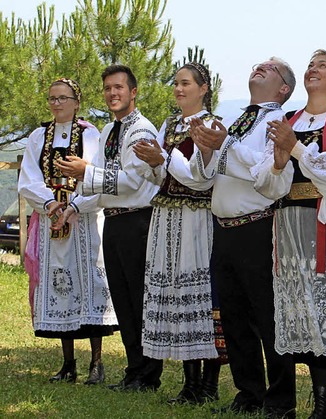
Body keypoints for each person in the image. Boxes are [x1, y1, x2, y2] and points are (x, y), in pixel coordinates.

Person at [253, 49, 326, 418]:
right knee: (309, 311)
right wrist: (278, 162)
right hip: (290, 226)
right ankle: (319, 405)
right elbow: (266, 184)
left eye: (323, 66)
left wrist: (295, 148)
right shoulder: (288, 119)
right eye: (310, 65)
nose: (312, 70)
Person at [190, 58, 297, 419]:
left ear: (283, 88)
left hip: (257, 226)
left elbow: (266, 171)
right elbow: (207, 178)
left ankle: (281, 400)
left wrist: (227, 144)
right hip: (223, 228)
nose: (259, 67)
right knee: (233, 317)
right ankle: (247, 392)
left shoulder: (278, 122)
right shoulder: (239, 118)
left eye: (270, 68)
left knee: (268, 317)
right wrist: (207, 150)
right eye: (257, 65)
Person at [56, 65, 164, 391]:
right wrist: (74, 203)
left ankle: (148, 375)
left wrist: (86, 170)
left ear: (133, 92)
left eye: (119, 88)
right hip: (115, 221)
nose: (112, 94)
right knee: (123, 299)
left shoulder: (141, 130)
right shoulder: (108, 130)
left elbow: (132, 181)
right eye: (107, 88)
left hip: (138, 220)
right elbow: (102, 184)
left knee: (139, 299)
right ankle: (134, 370)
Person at [132, 62, 224, 404]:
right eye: (176, 83)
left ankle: (207, 384)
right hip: (167, 216)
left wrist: (164, 157)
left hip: (196, 218)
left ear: (203, 88)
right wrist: (153, 162)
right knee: (174, 293)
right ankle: (189, 383)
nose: (178, 89)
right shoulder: (169, 124)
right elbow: (161, 176)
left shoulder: (213, 126)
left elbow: (202, 177)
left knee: (199, 295)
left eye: (186, 83)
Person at [19, 78, 118, 385]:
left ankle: (97, 363)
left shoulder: (91, 134)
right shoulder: (39, 135)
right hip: (52, 221)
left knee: (89, 284)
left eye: (63, 98)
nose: (57, 103)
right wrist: (50, 204)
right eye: (52, 98)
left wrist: (74, 206)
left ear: (77, 101)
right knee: (61, 284)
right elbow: (29, 176)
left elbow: (95, 173)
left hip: (84, 220)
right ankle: (68, 364)